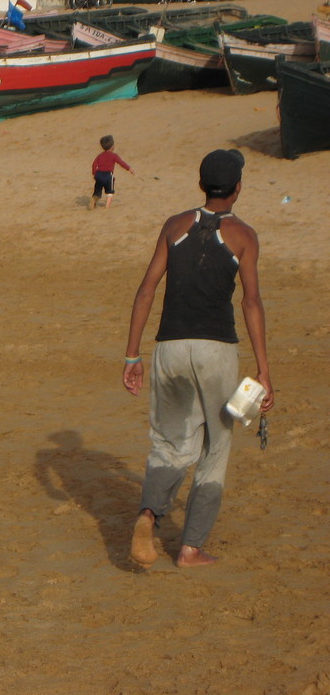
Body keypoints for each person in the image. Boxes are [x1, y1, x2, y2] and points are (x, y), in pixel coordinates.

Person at [123, 149, 274, 569]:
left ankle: (148, 514)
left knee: (169, 443)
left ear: (201, 185)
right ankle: (190, 548)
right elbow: (252, 302)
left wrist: (132, 355)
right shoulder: (244, 235)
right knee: (215, 447)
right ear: (238, 187)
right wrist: (263, 369)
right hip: (216, 350)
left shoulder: (174, 226)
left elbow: (146, 290)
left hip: (169, 348)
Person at [91, 135, 134, 210]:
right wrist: (129, 168)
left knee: (97, 190)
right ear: (112, 146)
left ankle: (94, 199)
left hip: (99, 175)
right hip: (107, 175)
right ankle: (107, 207)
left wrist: (94, 173)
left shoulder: (100, 156)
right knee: (109, 192)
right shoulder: (114, 156)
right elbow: (121, 163)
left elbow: (94, 164)